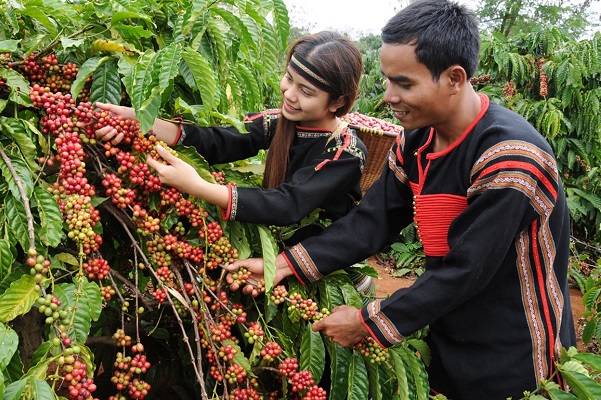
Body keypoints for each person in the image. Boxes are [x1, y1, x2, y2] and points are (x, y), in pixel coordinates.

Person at [224, 1, 577, 399]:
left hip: (514, 344)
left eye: (404, 84)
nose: (388, 96)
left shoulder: (510, 156)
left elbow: (467, 270)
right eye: (388, 80)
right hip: (448, 324)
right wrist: (283, 265)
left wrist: (368, 322)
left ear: (455, 78)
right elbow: (371, 221)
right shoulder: (415, 139)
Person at [91, 31, 374, 297]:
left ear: (337, 102)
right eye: (289, 78)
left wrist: (198, 186)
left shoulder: (346, 152)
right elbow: (218, 140)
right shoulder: (279, 122)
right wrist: (143, 122)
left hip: (323, 265)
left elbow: (287, 204)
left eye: (306, 91)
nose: (289, 93)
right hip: (276, 251)